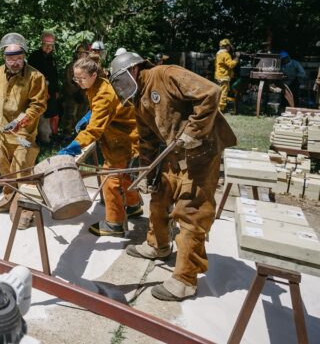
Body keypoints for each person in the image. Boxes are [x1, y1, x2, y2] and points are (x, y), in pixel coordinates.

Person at [110, 52, 237, 301]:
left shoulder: (166, 74)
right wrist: (148, 170)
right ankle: (158, 245)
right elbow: (146, 139)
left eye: (122, 80)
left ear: (134, 70)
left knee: (190, 211)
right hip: (174, 152)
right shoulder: (139, 98)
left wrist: (193, 131)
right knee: (159, 195)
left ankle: (186, 279)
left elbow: (210, 92)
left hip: (201, 151)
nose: (122, 87)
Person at [57, 54, 142, 237]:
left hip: (123, 140)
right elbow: (102, 109)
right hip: (123, 135)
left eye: (81, 78)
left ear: (93, 75)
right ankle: (134, 206)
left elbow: (94, 130)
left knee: (111, 180)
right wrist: (90, 114)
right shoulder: (98, 84)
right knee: (126, 175)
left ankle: (114, 223)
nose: (78, 82)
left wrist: (72, 147)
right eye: (75, 78)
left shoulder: (103, 92)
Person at [0, 33, 47, 230]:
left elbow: (38, 105)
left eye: (19, 58)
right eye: (11, 59)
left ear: (24, 56)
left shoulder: (35, 77)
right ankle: (9, 197)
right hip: (2, 133)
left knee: (23, 172)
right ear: (4, 57)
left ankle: (26, 210)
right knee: (5, 170)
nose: (15, 62)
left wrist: (20, 121)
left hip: (24, 135)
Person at [27, 31, 60, 144]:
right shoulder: (35, 57)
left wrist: (56, 91)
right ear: (42, 43)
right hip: (39, 94)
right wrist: (44, 92)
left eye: (51, 44)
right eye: (46, 44)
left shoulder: (52, 58)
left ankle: (49, 138)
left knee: (52, 115)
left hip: (51, 94)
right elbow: (33, 77)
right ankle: (38, 140)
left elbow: (54, 76)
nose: (48, 47)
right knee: (38, 115)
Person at [60, 45, 89, 138]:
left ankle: (79, 135)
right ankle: (66, 135)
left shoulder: (88, 67)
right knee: (69, 115)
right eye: (79, 53)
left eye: (83, 53)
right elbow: (68, 81)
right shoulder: (71, 66)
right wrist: (75, 92)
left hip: (84, 96)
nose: (81, 55)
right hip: (71, 97)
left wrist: (83, 92)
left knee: (82, 116)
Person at [214, 39, 240, 113]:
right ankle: (221, 109)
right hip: (224, 77)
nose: (230, 47)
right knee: (223, 93)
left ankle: (217, 107)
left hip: (218, 76)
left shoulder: (218, 53)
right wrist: (236, 58)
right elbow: (231, 65)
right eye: (229, 46)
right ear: (227, 46)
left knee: (218, 92)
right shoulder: (226, 54)